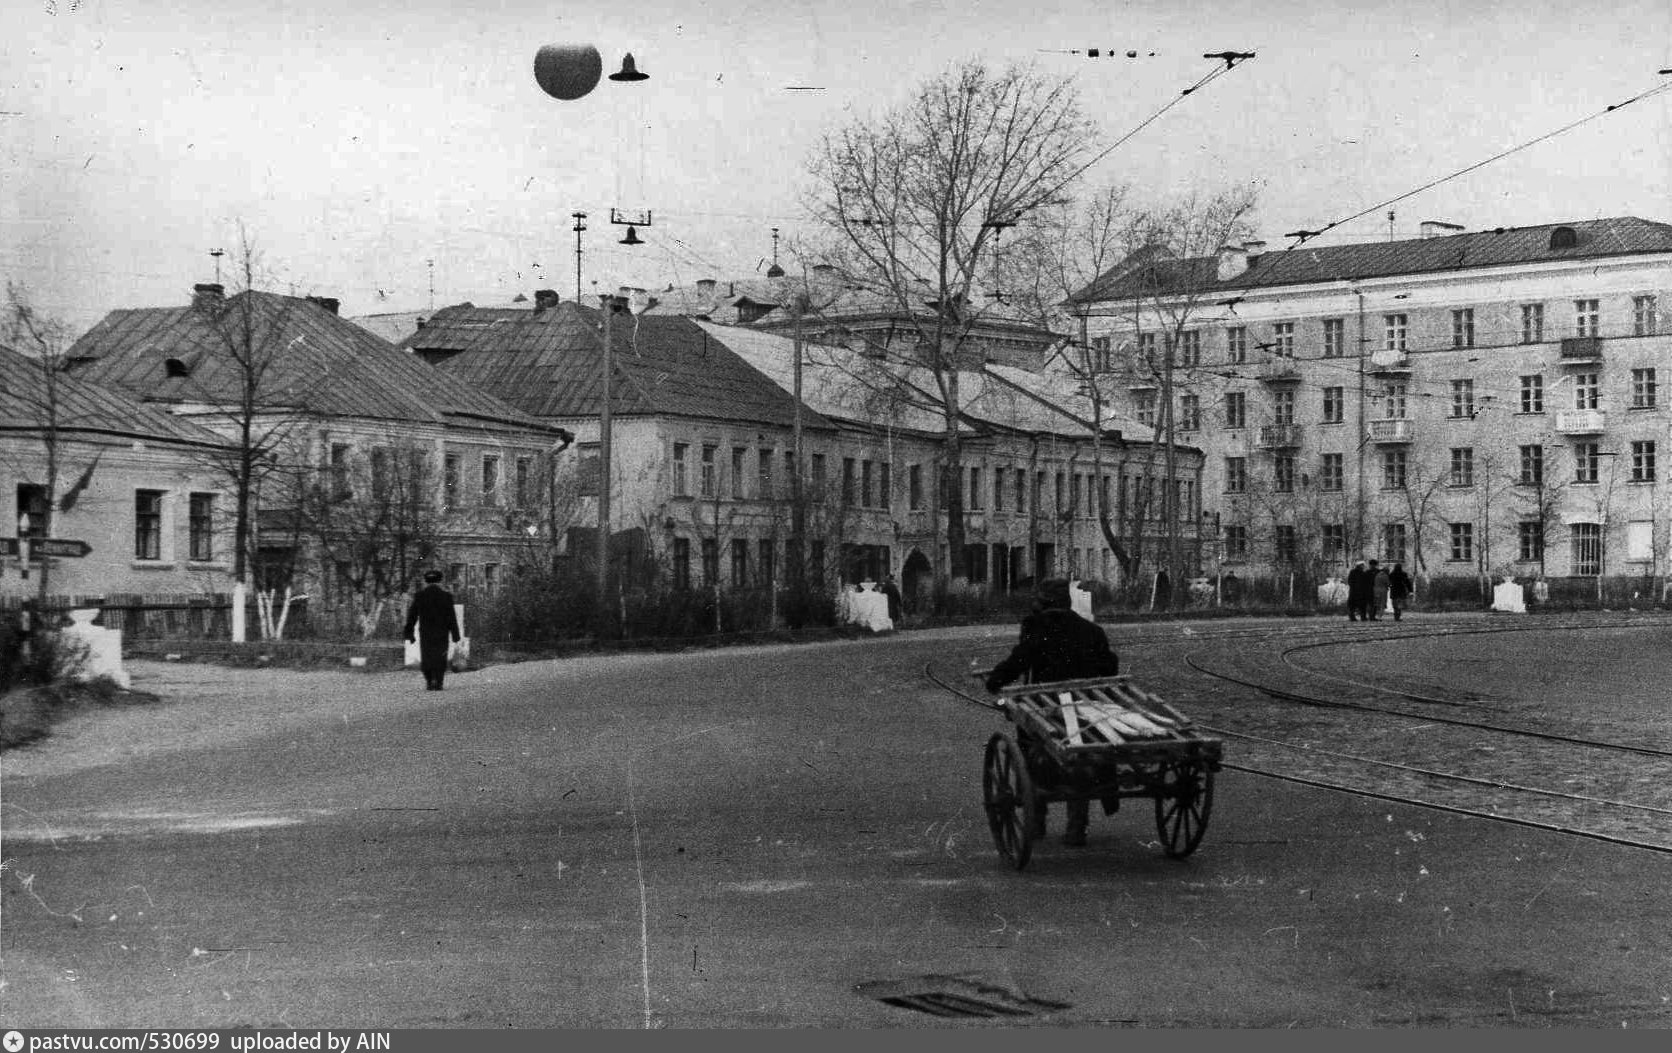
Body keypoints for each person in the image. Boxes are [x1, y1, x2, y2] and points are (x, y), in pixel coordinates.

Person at [984, 578, 1120, 848]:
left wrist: (995, 681)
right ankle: (1077, 827)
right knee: (1083, 752)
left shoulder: (1035, 628)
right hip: (1088, 710)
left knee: (1029, 748)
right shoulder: (1092, 630)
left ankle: (1037, 820)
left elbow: (1019, 661)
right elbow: (1110, 667)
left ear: (1043, 602)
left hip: (1047, 708)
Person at [404, 570, 461, 691]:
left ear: (426, 581)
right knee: (440, 656)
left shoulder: (420, 596)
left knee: (427, 656)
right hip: (442, 632)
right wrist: (456, 635)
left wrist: (408, 633)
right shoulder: (446, 596)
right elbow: (451, 617)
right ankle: (439, 681)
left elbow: (412, 616)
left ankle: (429, 681)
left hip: (426, 632)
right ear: (440, 581)